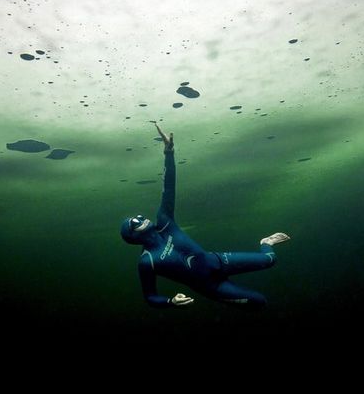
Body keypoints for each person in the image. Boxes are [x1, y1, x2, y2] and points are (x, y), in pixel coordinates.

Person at [120, 122, 290, 309]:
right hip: (211, 287)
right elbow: (150, 296)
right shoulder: (147, 262)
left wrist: (169, 153)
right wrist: (171, 301)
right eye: (135, 222)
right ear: (133, 236)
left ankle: (266, 243)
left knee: (270, 260)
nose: (140, 218)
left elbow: (168, 188)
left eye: (138, 217)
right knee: (259, 302)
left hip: (218, 260)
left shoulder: (164, 221)